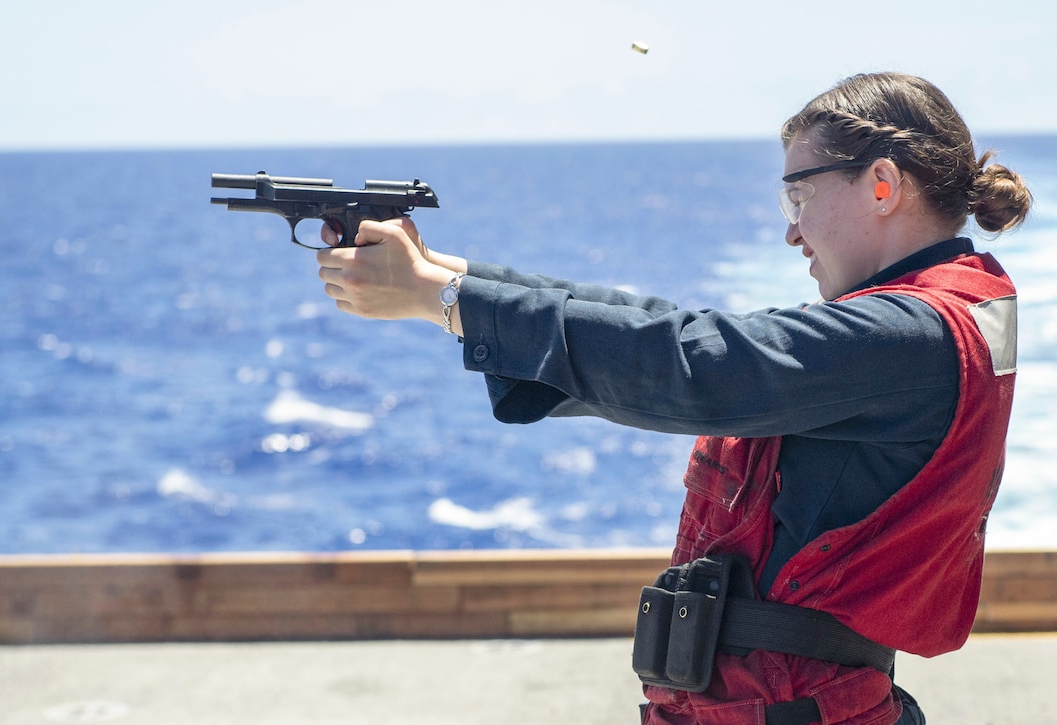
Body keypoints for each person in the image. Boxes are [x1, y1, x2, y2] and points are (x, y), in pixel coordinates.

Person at [315, 72, 1032, 724]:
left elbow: (692, 365)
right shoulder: (939, 314)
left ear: (882, 184)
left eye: (799, 194)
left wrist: (443, 300)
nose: (791, 229)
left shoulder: (908, 333)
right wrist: (449, 274)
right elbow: (664, 335)